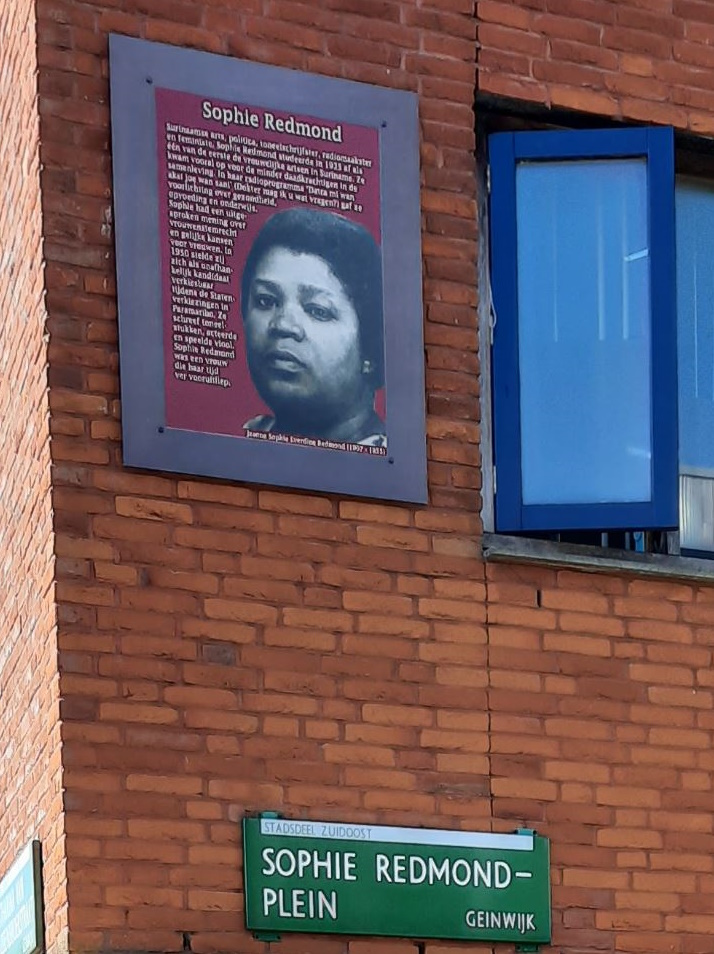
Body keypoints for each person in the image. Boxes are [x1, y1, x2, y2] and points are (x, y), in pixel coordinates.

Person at [240, 208, 386, 446]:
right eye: (266, 301)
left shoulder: (383, 476)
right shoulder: (248, 438)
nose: (283, 325)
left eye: (318, 311)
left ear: (370, 350)